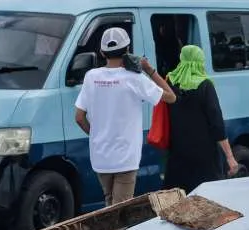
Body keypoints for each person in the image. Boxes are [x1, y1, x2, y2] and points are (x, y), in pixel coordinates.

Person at [74, 27, 176, 207]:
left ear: (102, 52)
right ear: (128, 50)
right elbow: (171, 97)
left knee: (110, 204)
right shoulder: (134, 78)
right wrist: (149, 69)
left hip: (100, 157)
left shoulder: (91, 77)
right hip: (125, 157)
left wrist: (97, 136)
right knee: (120, 212)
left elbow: (79, 117)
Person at [164, 45, 239, 193]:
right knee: (206, 199)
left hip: (178, 154)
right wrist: (230, 157)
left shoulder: (170, 82)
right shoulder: (205, 85)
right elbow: (217, 124)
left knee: (179, 200)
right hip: (205, 157)